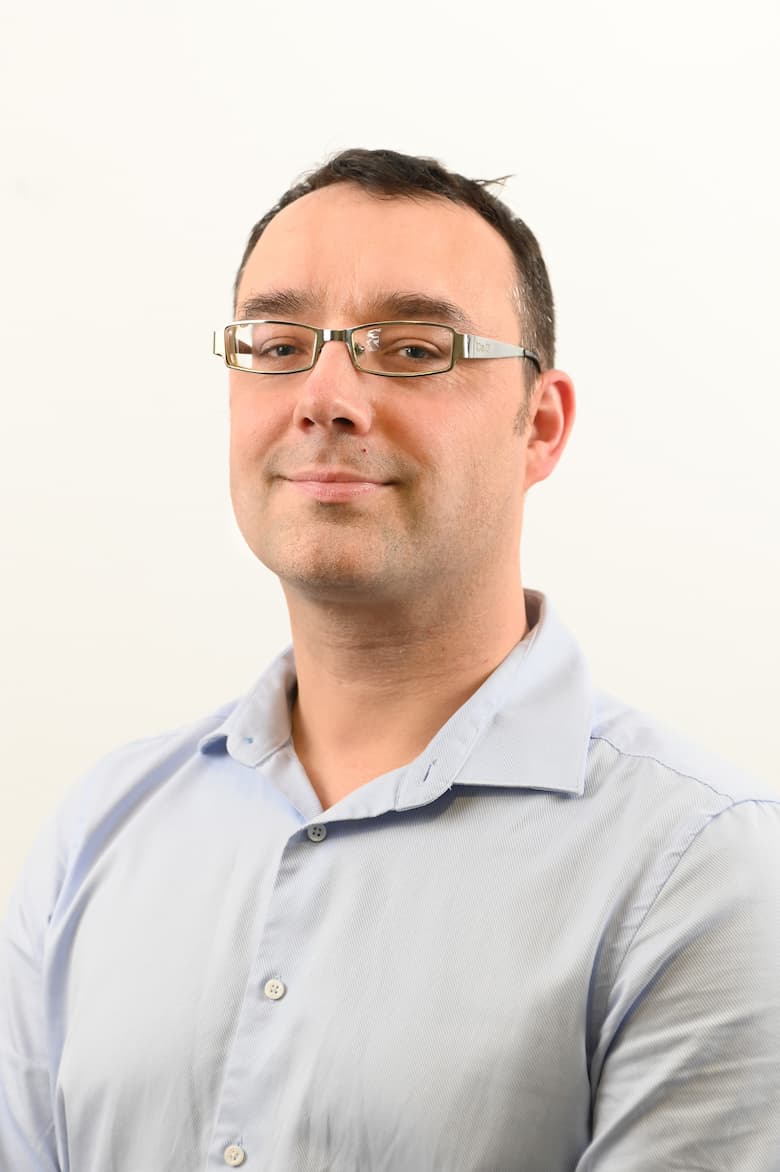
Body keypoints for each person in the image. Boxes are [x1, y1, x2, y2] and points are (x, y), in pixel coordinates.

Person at [1, 147, 778, 1172]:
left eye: (412, 349)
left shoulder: (702, 869)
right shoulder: (98, 833)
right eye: (279, 346)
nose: (324, 397)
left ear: (541, 426)